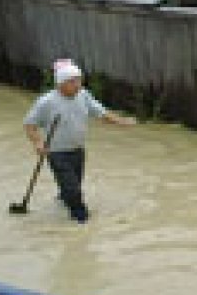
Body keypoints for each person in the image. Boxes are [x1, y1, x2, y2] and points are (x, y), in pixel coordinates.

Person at [23, 59, 137, 223]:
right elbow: (29, 124)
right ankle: (81, 220)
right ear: (61, 84)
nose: (78, 85)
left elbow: (101, 113)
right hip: (56, 152)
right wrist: (38, 143)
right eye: (72, 81)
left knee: (73, 184)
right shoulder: (46, 102)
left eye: (79, 80)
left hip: (78, 150)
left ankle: (64, 198)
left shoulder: (83, 95)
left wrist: (122, 122)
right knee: (74, 190)